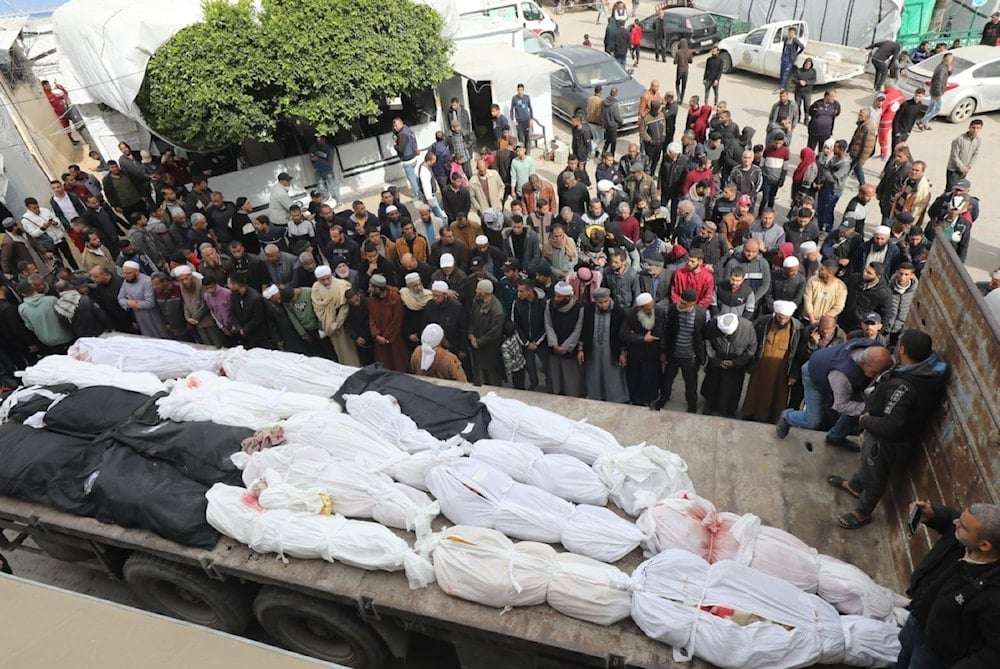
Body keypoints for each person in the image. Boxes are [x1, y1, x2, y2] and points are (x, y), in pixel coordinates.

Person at [829, 330, 948, 529]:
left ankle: (862, 513)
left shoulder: (905, 386)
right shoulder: (925, 369)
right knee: (867, 464)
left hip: (886, 441)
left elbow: (892, 424)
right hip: (889, 436)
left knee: (876, 474)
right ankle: (855, 485)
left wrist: (866, 420)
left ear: (902, 349)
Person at [895, 500, 1000, 668]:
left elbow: (995, 650)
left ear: (985, 545)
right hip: (917, 619)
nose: (955, 522)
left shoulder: (992, 594)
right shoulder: (965, 541)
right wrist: (934, 514)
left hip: (935, 652)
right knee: (902, 659)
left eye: (962, 525)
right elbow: (952, 518)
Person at [776, 339, 892, 445]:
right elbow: (842, 406)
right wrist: (868, 407)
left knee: (857, 409)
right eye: (874, 372)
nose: (878, 376)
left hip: (835, 371)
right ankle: (787, 416)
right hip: (814, 376)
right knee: (813, 421)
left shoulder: (875, 348)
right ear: (863, 363)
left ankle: (835, 437)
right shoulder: (842, 376)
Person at [742, 301, 802, 423]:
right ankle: (751, 414)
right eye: (780, 317)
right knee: (756, 391)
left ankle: (773, 417)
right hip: (761, 366)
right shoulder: (763, 322)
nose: (782, 320)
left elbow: (797, 354)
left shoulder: (798, 327)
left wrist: (794, 373)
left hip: (782, 368)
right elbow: (753, 341)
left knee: (778, 394)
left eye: (785, 318)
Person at [701, 312, 756, 418]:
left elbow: (751, 349)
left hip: (736, 366)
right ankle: (709, 406)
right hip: (717, 362)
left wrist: (736, 363)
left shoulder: (747, 327)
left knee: (732, 390)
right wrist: (715, 360)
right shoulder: (713, 323)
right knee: (712, 386)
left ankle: (730, 410)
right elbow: (707, 342)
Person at [579, 286, 628, 403]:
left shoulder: (618, 311)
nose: (604, 305)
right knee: (593, 374)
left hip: (612, 351)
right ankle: (596, 397)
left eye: (606, 301)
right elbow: (584, 330)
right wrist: (580, 349)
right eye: (600, 303)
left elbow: (622, 334)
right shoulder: (588, 310)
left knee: (613, 375)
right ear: (595, 302)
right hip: (593, 350)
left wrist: (623, 352)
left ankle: (616, 399)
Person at [620, 292, 664, 406]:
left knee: (651, 378)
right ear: (640, 308)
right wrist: (642, 338)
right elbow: (624, 334)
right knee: (636, 378)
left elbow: (659, 332)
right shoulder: (629, 314)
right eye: (647, 309)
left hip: (653, 352)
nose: (650, 310)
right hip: (635, 352)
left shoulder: (659, 311)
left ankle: (651, 399)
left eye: (651, 307)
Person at [311, 265, 359, 366]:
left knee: (351, 348)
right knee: (340, 350)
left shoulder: (343, 285)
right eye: (322, 280)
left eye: (328, 278)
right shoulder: (315, 288)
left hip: (344, 322)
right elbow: (318, 308)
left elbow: (345, 306)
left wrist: (337, 323)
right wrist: (330, 325)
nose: (326, 282)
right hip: (330, 325)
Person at [544, 281, 585, 397]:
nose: (556, 298)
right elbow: (548, 324)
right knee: (555, 379)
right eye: (556, 295)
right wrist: (554, 344)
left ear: (568, 297)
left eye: (559, 296)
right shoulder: (550, 304)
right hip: (554, 347)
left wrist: (565, 347)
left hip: (569, 348)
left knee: (571, 381)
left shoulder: (579, 308)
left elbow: (578, 329)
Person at [367, 273, 410, 372]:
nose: (369, 289)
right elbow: (371, 318)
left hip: (394, 338)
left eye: (371, 287)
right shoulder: (372, 299)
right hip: (379, 339)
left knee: (398, 363)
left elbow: (396, 320)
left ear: (378, 289)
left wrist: (386, 338)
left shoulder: (395, 298)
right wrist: (377, 335)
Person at [17, 281, 73, 355]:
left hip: (47, 341)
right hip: (66, 336)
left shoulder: (22, 309)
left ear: (22, 294)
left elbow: (30, 327)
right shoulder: (52, 300)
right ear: (33, 287)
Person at [118, 261, 169, 339]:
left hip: (153, 316)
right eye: (124, 273)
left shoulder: (147, 281)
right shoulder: (126, 282)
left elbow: (150, 303)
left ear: (137, 272)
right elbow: (120, 298)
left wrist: (134, 303)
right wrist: (129, 302)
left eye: (128, 273)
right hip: (139, 317)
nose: (125, 275)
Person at [469, 279, 505, 386]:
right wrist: (471, 335)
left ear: (484, 292)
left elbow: (494, 332)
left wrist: (479, 341)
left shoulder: (497, 309)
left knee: (492, 377)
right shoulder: (476, 302)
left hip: (491, 349)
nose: (476, 291)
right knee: (479, 376)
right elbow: (472, 320)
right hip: (477, 346)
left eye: (478, 289)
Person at [945, 119, 982, 191]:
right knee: (950, 190)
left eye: (978, 128)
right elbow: (954, 156)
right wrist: (963, 168)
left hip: (965, 170)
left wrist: (969, 166)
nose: (975, 130)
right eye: (973, 128)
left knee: (960, 189)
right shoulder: (959, 140)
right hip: (954, 170)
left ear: (981, 129)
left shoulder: (978, 140)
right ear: (969, 127)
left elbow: (975, 154)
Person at [919, 52, 952, 130]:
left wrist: (949, 70)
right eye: (951, 58)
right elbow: (938, 81)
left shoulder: (943, 67)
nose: (951, 60)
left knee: (932, 107)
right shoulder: (942, 68)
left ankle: (925, 123)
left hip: (934, 90)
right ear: (947, 59)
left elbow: (945, 76)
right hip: (937, 91)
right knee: (938, 109)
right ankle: (923, 120)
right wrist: (938, 93)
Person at [392, 117, 421, 200]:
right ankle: (420, 191)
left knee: (412, 179)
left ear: (401, 124)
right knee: (414, 177)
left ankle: (417, 195)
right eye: (394, 126)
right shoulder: (407, 129)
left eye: (396, 126)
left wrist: (395, 145)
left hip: (407, 159)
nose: (395, 128)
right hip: (413, 156)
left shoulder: (402, 135)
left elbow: (401, 149)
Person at [847, 108, 876, 186]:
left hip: (858, 153)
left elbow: (868, 147)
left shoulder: (868, 128)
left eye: (861, 115)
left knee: (854, 168)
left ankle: (863, 185)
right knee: (854, 168)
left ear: (867, 117)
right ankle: (862, 184)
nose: (858, 116)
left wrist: (862, 160)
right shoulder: (862, 124)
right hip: (855, 151)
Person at [602, 87, 623, 156]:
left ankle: (603, 153)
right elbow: (616, 116)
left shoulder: (604, 102)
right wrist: (621, 121)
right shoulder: (614, 104)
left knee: (608, 139)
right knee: (613, 142)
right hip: (612, 125)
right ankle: (611, 156)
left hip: (606, 124)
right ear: (616, 94)